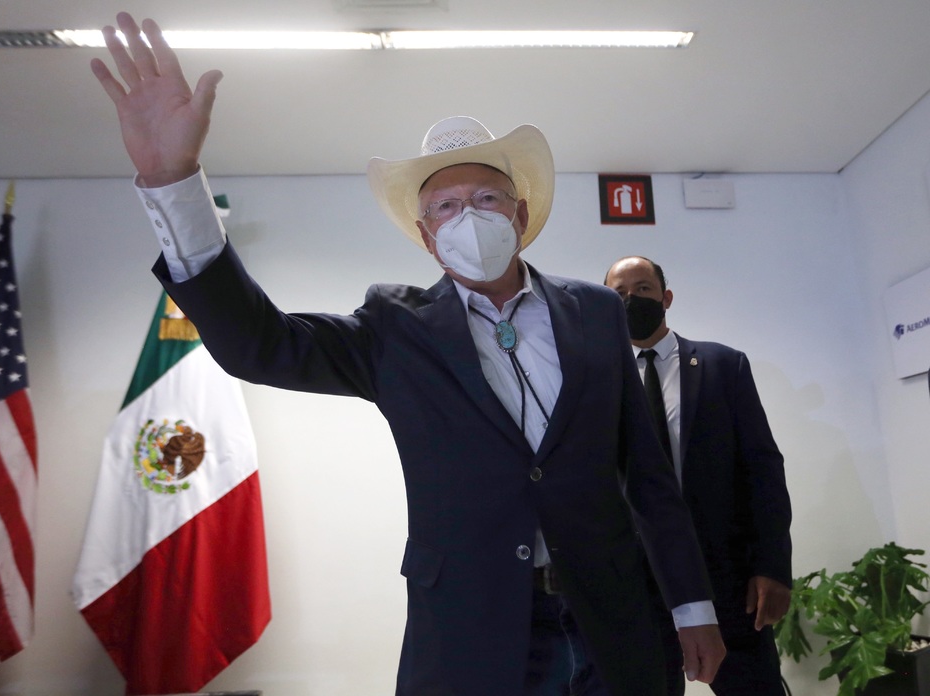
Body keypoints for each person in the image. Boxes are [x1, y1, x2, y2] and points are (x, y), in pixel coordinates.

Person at [90, 13, 727, 695]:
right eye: (446, 207)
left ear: (520, 215)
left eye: (487, 198)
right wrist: (175, 182)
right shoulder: (395, 327)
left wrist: (694, 607)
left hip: (612, 617)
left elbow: (649, 475)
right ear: (427, 237)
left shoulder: (595, 312)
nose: (468, 216)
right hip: (469, 629)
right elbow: (260, 345)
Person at [603, 256, 792, 696]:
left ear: (666, 298)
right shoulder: (598, 380)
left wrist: (772, 566)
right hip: (638, 583)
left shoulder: (722, 365)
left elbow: (763, 470)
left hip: (728, 580)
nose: (631, 300)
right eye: (619, 294)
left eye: (643, 289)